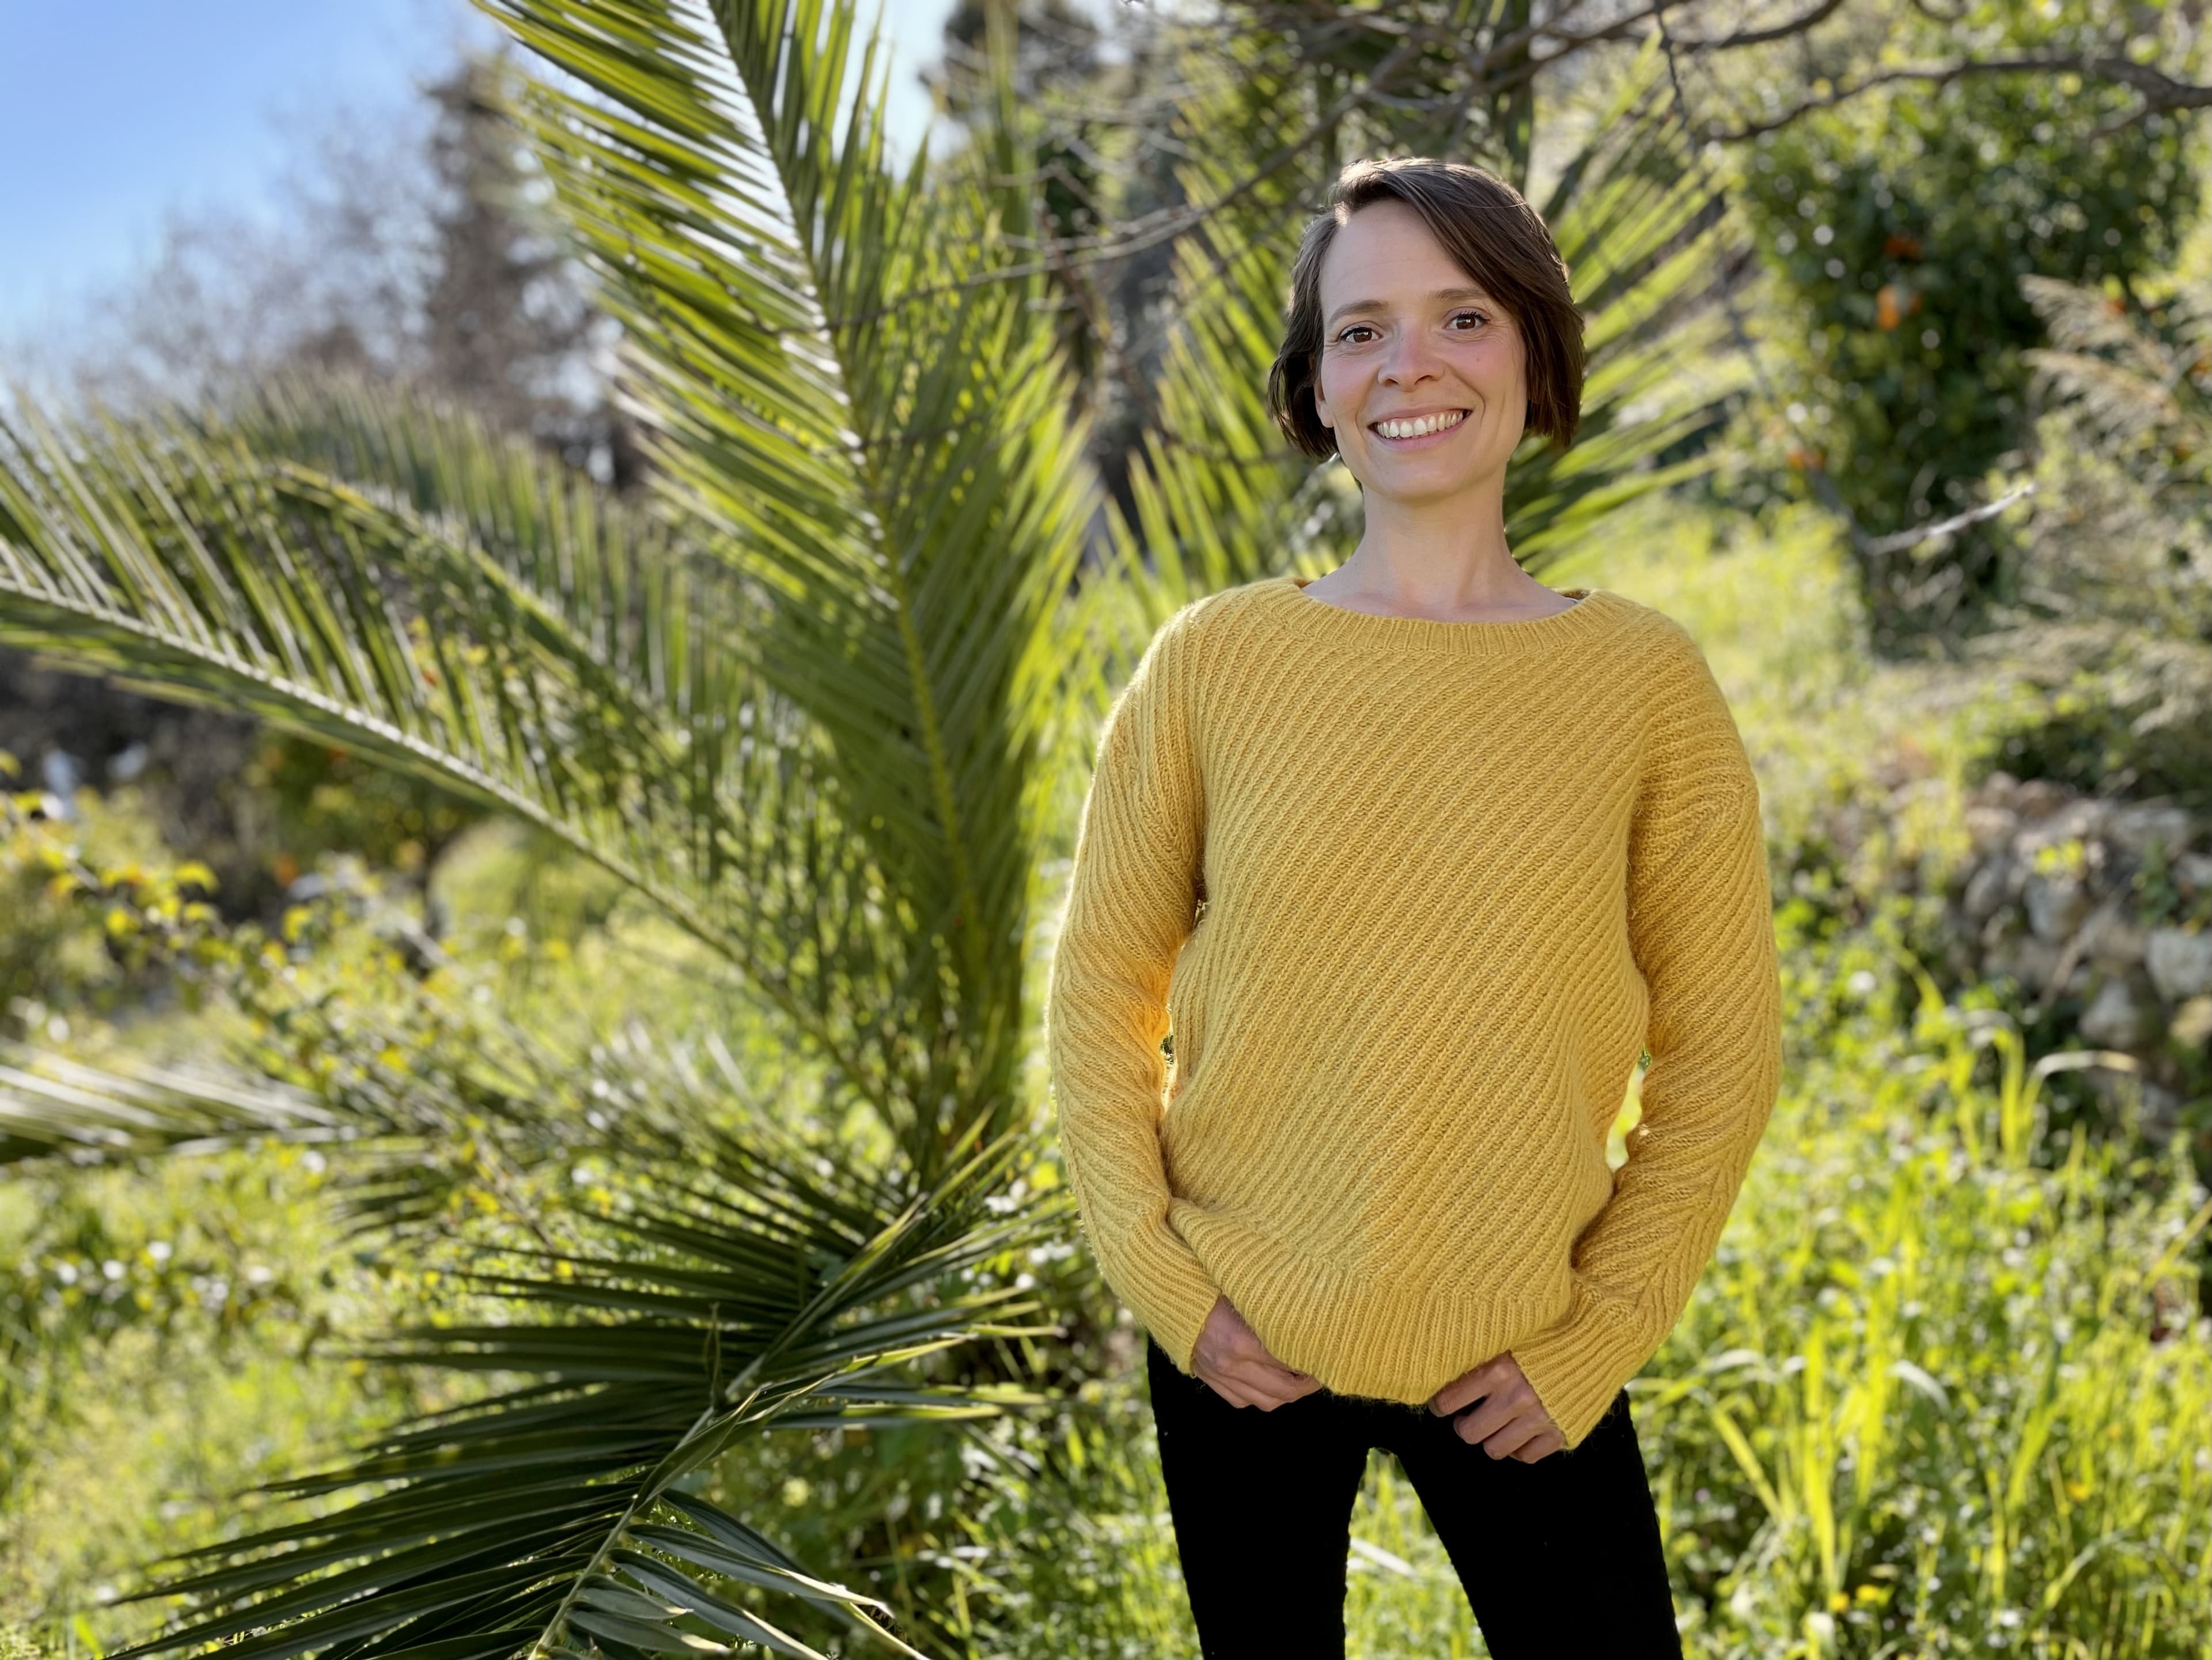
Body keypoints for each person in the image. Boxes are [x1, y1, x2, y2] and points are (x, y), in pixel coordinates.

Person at [1043, 155, 1785, 1659]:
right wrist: (1168, 1283)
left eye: (1462, 316)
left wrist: (1604, 1330)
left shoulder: (1643, 684)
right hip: (1242, 1347)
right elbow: (1098, 990)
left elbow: (1722, 1045)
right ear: (1316, 388)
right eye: (1361, 329)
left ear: (1533, 348)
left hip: (1525, 1351)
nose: (1410, 365)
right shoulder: (1213, 661)